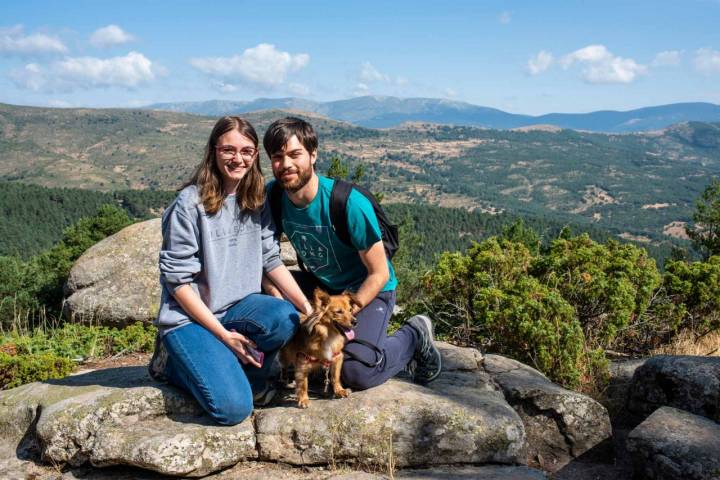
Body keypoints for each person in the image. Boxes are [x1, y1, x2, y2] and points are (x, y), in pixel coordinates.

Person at [149, 116, 312, 425]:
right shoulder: (189, 204)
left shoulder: (256, 198)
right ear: (213, 151)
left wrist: (307, 310)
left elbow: (271, 259)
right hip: (191, 320)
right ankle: (171, 363)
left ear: (254, 156)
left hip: (239, 309)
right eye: (229, 150)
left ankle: (233, 369)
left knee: (285, 316)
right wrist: (223, 336)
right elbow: (179, 283)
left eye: (247, 151)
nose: (238, 159)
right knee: (233, 409)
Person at [262, 117, 442, 390]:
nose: (286, 164)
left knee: (356, 373)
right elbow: (263, 259)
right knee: (254, 288)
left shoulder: (348, 204)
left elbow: (379, 273)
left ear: (313, 155)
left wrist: (337, 313)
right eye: (277, 157)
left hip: (367, 288)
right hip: (323, 286)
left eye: (295, 154)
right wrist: (281, 302)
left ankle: (413, 336)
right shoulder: (274, 197)